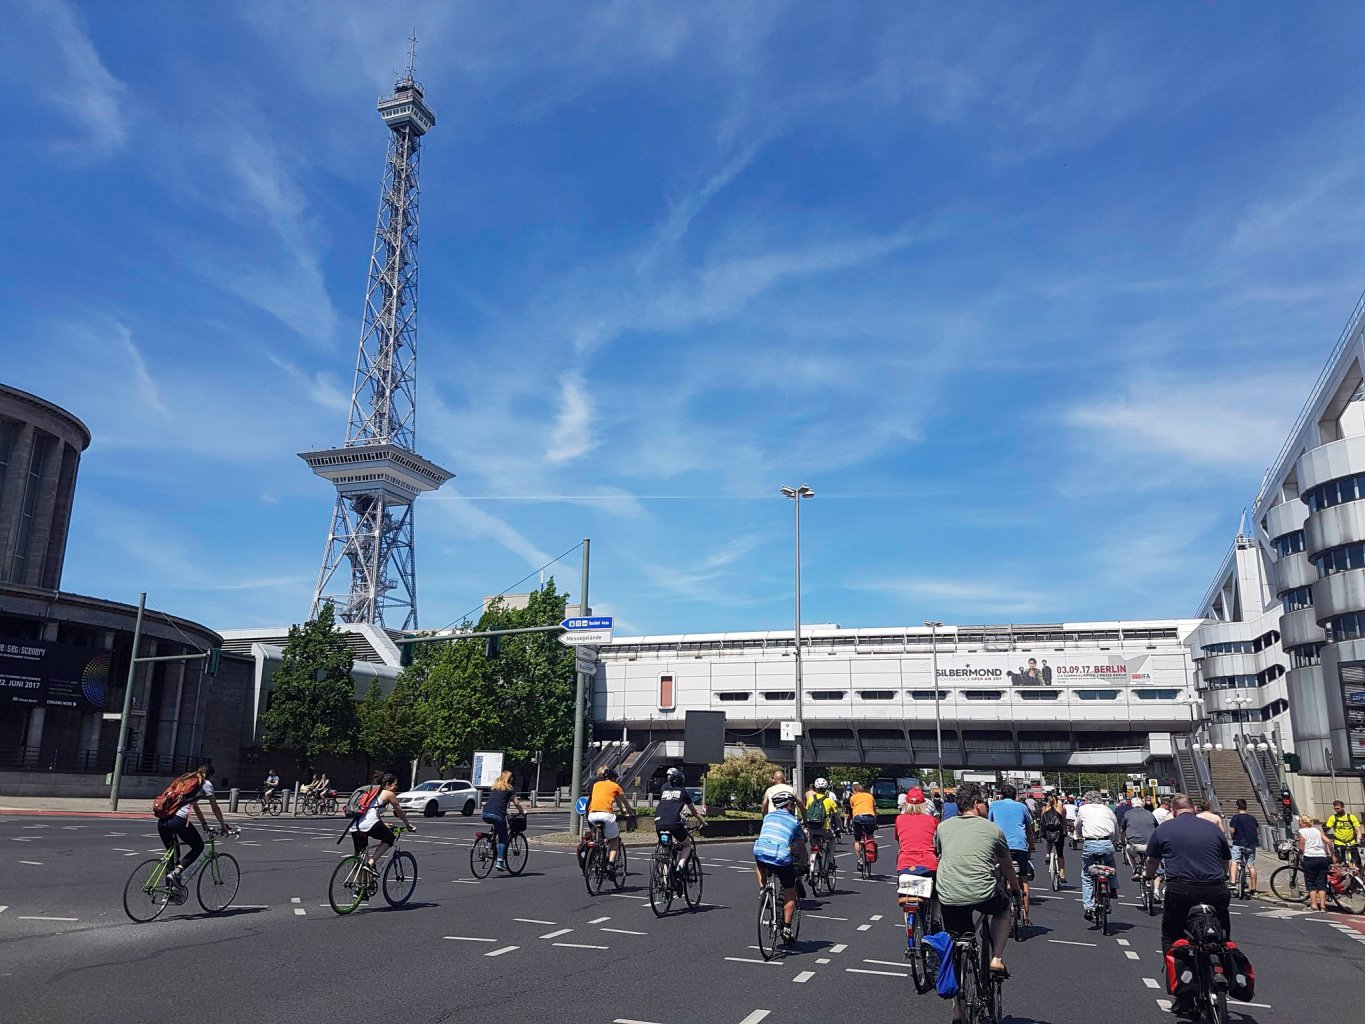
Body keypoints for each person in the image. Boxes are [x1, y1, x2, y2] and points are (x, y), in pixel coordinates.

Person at [1144, 792, 1232, 1017]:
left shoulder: (1164, 829)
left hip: (1181, 890)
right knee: (1221, 934)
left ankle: (1181, 994)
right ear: (1194, 809)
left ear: (1173, 811)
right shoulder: (1212, 827)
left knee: (1171, 937)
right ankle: (1223, 970)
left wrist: (1148, 875)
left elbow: (1152, 860)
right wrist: (1220, 877)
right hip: (1216, 889)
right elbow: (1225, 858)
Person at [933, 783, 1020, 996]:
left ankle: (958, 1010)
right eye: (984, 802)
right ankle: (997, 959)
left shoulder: (943, 827)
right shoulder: (992, 829)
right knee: (1002, 909)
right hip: (982, 893)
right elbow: (1006, 864)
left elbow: (942, 854)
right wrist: (1015, 887)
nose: (987, 807)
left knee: (957, 940)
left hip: (948, 895)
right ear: (975, 804)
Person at [159, 764, 232, 888]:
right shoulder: (205, 783)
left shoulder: (184, 778)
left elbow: (194, 806)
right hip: (178, 821)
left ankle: (169, 892)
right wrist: (223, 825)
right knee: (198, 846)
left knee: (172, 855)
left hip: (163, 820)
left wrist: (204, 823)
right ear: (209, 775)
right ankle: (177, 873)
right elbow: (215, 807)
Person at [753, 791, 807, 943]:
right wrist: (804, 863)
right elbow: (801, 846)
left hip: (761, 851)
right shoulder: (794, 821)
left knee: (759, 863)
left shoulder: (768, 817)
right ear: (789, 805)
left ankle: (763, 888)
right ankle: (787, 929)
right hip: (781, 857)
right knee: (790, 890)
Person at [349, 772, 415, 872]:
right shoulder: (389, 793)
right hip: (369, 824)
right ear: (388, 785)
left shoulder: (374, 793)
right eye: (395, 784)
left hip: (355, 825)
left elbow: (371, 811)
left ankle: (360, 886)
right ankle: (371, 863)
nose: (397, 787)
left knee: (360, 858)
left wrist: (383, 824)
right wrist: (408, 825)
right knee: (390, 838)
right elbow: (399, 811)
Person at [988, 784, 1034, 924]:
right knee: (1024, 879)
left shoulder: (994, 806)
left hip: (1000, 845)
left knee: (999, 875)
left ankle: (1001, 908)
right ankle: (1026, 916)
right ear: (1015, 796)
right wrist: (1030, 846)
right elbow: (1028, 827)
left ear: (1001, 795)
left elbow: (989, 825)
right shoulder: (1021, 807)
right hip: (1019, 846)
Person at [1075, 789, 1119, 920]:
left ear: (1086, 800)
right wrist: (1116, 840)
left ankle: (1088, 907)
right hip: (1106, 842)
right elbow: (1115, 825)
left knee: (1087, 875)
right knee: (1111, 865)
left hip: (1090, 843)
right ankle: (1113, 887)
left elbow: (1078, 825)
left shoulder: (1083, 809)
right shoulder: (1107, 809)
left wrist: (1077, 835)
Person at [655, 767, 706, 875]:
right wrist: (703, 822)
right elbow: (694, 812)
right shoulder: (683, 792)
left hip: (658, 821)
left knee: (666, 851)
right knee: (687, 845)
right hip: (674, 822)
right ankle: (680, 866)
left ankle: (664, 879)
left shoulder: (664, 790)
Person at [587, 767, 636, 878]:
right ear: (614, 778)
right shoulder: (615, 786)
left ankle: (597, 851)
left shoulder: (596, 785)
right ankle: (610, 864)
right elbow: (624, 802)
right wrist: (630, 813)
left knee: (600, 838)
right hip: (606, 815)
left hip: (592, 815)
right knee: (615, 839)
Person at [481, 769, 526, 871]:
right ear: (509, 780)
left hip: (485, 812)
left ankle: (488, 843)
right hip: (498, 814)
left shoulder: (494, 788)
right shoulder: (510, 789)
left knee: (494, 827)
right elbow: (517, 803)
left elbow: (496, 802)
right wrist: (522, 813)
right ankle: (500, 862)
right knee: (503, 838)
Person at [1121, 798, 1161, 897]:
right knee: (1154, 865)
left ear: (1132, 805)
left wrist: (1121, 842)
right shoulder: (1149, 813)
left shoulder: (1127, 814)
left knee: (1128, 850)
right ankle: (1156, 891)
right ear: (1142, 804)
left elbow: (1122, 830)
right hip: (1150, 845)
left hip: (1134, 844)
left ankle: (1135, 870)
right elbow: (1157, 828)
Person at [1299, 814, 1334, 912]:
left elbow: (1302, 846)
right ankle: (1323, 907)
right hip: (1322, 858)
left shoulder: (1302, 831)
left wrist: (1300, 852)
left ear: (1304, 823)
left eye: (1300, 821)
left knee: (1311, 882)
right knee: (1321, 882)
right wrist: (1332, 854)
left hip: (1310, 857)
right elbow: (1329, 842)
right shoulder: (1317, 830)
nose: (1299, 823)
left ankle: (1314, 905)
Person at [804, 778, 839, 872]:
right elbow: (837, 816)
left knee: (814, 846)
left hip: (812, 829)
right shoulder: (829, 801)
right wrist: (840, 827)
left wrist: (806, 826)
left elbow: (807, 812)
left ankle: (813, 863)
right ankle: (830, 861)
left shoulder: (811, 799)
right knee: (832, 839)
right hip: (825, 829)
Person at [1228, 798, 1260, 894]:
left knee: (1234, 861)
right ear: (1246, 807)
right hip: (1250, 844)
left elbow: (1232, 830)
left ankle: (1233, 883)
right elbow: (1256, 830)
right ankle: (1253, 888)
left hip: (1238, 843)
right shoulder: (1252, 818)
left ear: (1237, 807)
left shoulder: (1235, 818)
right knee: (1251, 865)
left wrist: (1233, 837)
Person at [1039, 794, 1068, 886]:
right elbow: (1064, 822)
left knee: (1049, 842)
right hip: (1058, 833)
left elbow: (1042, 821)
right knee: (1060, 853)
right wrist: (1065, 832)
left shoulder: (1044, 809)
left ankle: (1048, 854)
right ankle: (1062, 874)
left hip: (1047, 832)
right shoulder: (1061, 809)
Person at [848, 782, 879, 866]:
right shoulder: (870, 796)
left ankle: (859, 860)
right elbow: (874, 809)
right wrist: (875, 822)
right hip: (869, 817)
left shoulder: (852, 798)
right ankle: (870, 852)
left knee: (857, 840)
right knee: (870, 835)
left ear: (855, 790)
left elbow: (852, 810)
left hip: (857, 818)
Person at [1326, 800, 1363, 868]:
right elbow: (1326, 830)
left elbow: (1358, 830)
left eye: (1338, 808)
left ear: (1343, 807)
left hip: (1351, 843)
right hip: (1339, 843)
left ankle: (1360, 877)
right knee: (1339, 864)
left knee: (1358, 863)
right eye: (1335, 809)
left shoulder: (1351, 817)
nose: (1337, 810)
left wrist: (1358, 840)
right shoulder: (1333, 818)